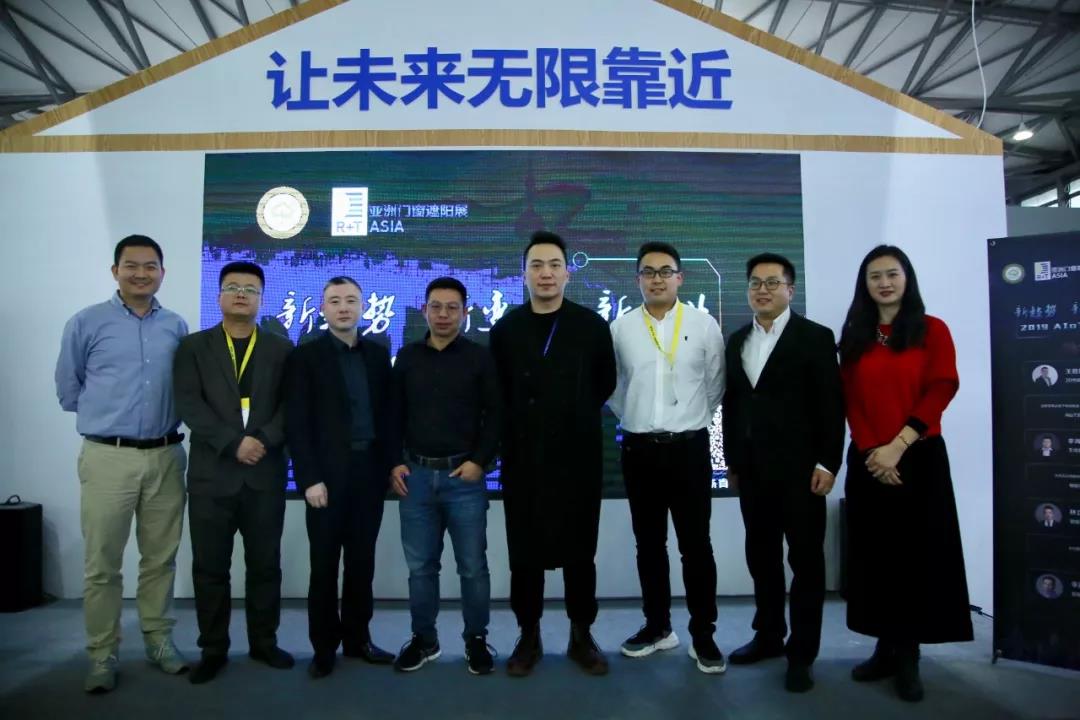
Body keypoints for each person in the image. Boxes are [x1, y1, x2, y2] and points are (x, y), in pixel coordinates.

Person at [55, 235, 190, 693]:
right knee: (102, 564)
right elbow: (68, 388)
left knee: (160, 559)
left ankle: (158, 641)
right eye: (131, 266)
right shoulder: (86, 322)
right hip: (107, 456)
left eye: (150, 266)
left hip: (167, 456)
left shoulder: (175, 325)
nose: (141, 274)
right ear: (115, 271)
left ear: (162, 273)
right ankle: (102, 654)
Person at [839, 245, 972, 703]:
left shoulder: (932, 329)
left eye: (892, 274)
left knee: (915, 559)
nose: (884, 283)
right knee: (876, 558)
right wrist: (872, 450)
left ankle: (908, 655)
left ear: (907, 278)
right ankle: (884, 647)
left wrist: (897, 447)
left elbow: (942, 387)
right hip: (869, 460)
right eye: (875, 276)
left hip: (919, 457)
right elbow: (850, 398)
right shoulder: (856, 333)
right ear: (865, 284)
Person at [489, 230, 616, 677]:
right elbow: (498, 394)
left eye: (554, 265)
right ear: (524, 273)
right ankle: (529, 636)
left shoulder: (591, 326)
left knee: (581, 553)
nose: (546, 273)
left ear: (567, 273)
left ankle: (582, 635)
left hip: (578, 457)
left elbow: (605, 382)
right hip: (524, 459)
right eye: (537, 266)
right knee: (524, 553)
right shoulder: (506, 329)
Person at [721, 253, 845, 692]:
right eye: (755, 283)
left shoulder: (815, 337)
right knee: (762, 558)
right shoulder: (737, 340)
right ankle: (769, 635)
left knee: (806, 563)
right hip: (753, 472)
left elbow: (832, 405)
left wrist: (829, 462)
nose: (763, 290)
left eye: (772, 282)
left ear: (790, 290)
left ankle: (802, 654)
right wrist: (732, 460)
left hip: (802, 473)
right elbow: (734, 406)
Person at [173, 260, 295, 684]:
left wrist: (264, 439)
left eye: (250, 289)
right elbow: (189, 404)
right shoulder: (193, 347)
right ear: (219, 295)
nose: (241, 294)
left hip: (264, 474)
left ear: (261, 298)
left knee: (265, 566)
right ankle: (213, 648)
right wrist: (233, 442)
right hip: (212, 476)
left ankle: (264, 642)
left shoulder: (281, 348)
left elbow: (290, 405)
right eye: (233, 287)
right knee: (210, 569)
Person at [608, 242, 727, 674]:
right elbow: (614, 389)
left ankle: (704, 634)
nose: (656, 279)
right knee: (649, 545)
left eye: (665, 271)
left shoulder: (703, 324)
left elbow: (715, 384)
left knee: (696, 546)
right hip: (639, 450)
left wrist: (686, 420)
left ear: (680, 277)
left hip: (689, 448)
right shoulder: (621, 328)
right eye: (648, 272)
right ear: (637, 279)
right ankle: (658, 626)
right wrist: (639, 418)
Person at [285, 276, 397, 679]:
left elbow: (389, 416)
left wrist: (390, 466)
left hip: (369, 473)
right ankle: (323, 648)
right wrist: (309, 478)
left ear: (363, 307)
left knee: (362, 563)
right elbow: (297, 423)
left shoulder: (378, 354)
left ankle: (357, 639)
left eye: (351, 300)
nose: (344, 307)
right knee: (324, 565)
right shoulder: (305, 357)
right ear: (323, 309)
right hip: (326, 477)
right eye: (335, 301)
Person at [388, 277, 501, 675]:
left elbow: (496, 415)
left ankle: (476, 639)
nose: (443, 314)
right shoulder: (407, 357)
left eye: (453, 308)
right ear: (424, 310)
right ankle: (424, 639)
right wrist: (394, 462)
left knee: (472, 567)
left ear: (465, 313)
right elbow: (392, 414)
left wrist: (480, 462)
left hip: (464, 479)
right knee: (421, 569)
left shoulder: (479, 358)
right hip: (416, 478)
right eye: (436, 306)